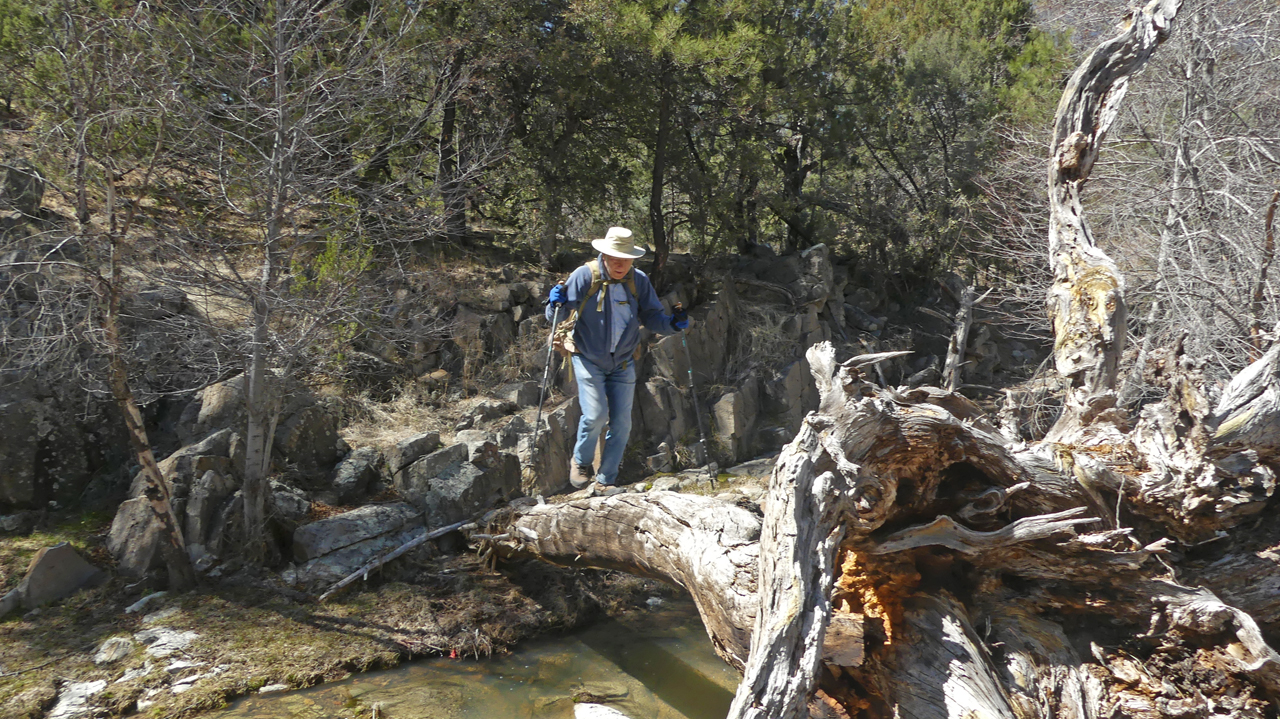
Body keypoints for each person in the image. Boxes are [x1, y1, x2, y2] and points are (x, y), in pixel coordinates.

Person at [546, 226, 689, 495]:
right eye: (615, 258)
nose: (620, 264)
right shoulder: (584, 275)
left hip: (623, 360)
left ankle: (606, 479)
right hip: (587, 357)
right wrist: (554, 303)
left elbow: (652, 316)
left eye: (626, 259)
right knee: (596, 414)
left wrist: (672, 324)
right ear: (604, 255)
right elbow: (556, 314)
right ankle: (581, 462)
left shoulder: (639, 281)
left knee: (623, 423)